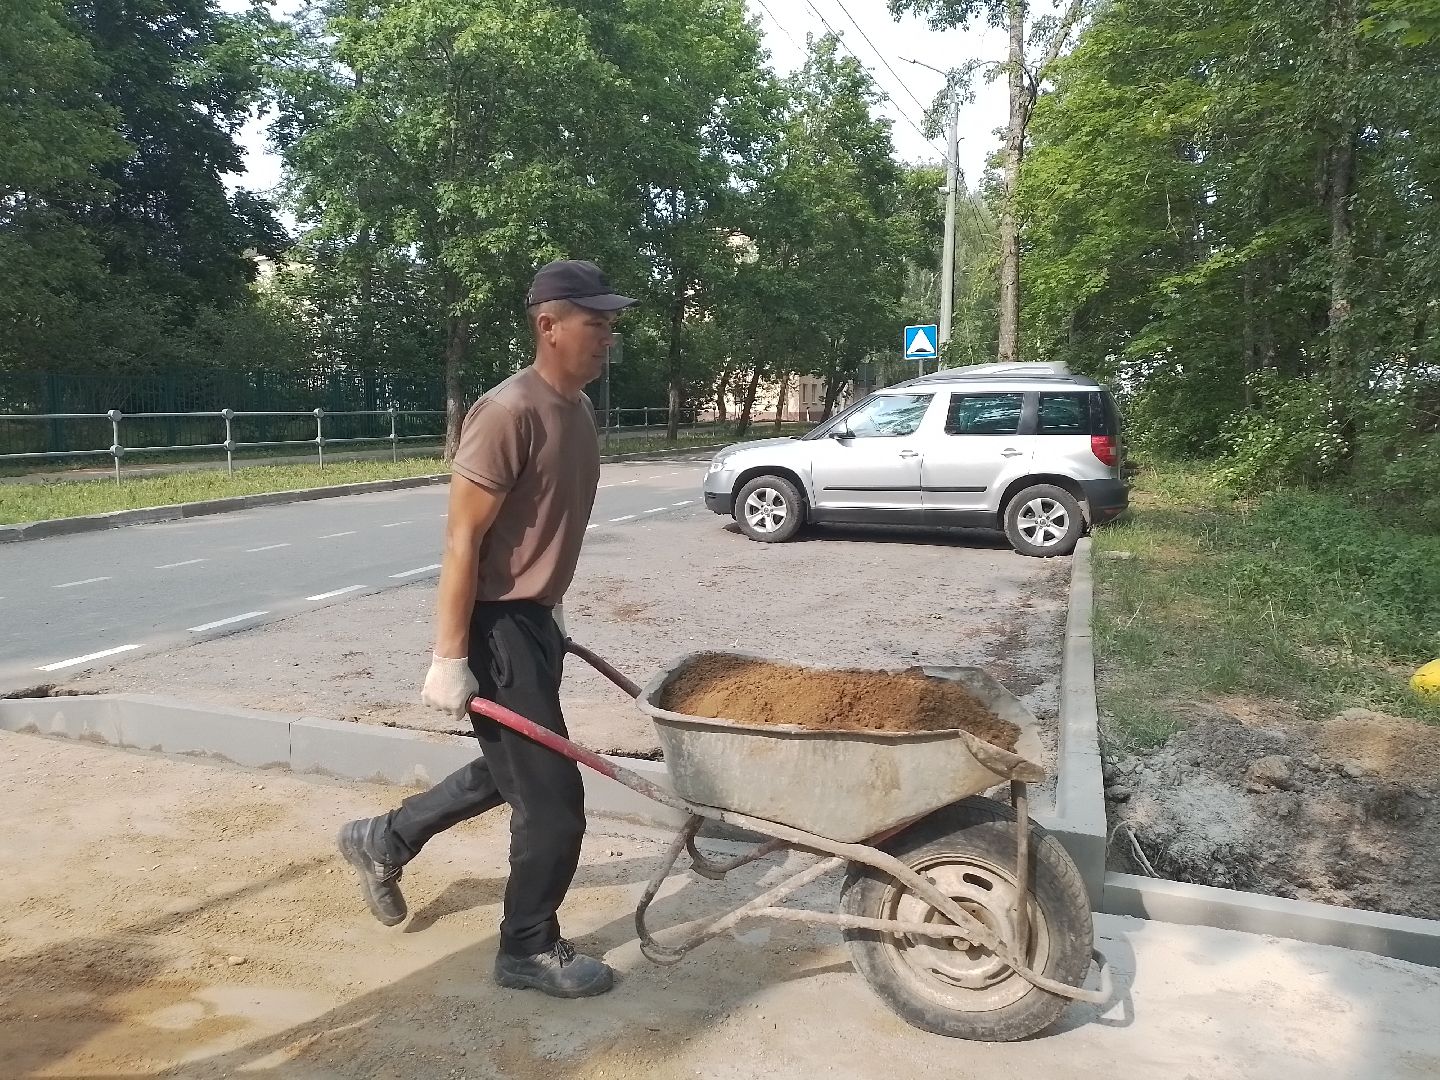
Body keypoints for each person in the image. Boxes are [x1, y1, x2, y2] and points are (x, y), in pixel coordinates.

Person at [338, 259, 636, 999]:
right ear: (548, 325)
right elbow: (461, 541)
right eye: (594, 324)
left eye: (609, 325)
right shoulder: (508, 412)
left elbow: (541, 530)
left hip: (532, 623)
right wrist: (449, 655)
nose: (607, 338)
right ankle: (526, 949)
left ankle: (386, 837)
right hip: (495, 630)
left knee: (514, 771)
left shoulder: (578, 411)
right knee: (555, 805)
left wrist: (552, 605)